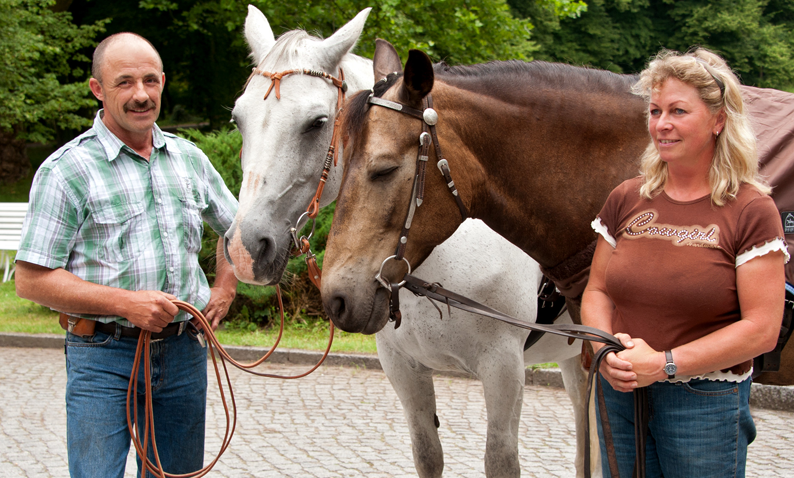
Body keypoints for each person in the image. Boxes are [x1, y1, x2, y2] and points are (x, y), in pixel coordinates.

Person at [14, 32, 239, 478]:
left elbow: (236, 230)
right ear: (98, 88)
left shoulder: (190, 159)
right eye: (125, 82)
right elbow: (31, 279)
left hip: (182, 354)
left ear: (163, 83)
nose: (141, 95)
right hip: (101, 354)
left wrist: (225, 286)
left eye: (151, 81)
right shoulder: (67, 170)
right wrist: (125, 303)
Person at [582, 48, 788, 478]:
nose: (662, 124)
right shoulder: (626, 197)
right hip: (620, 391)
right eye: (655, 111)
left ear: (718, 120)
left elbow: (762, 329)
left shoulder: (751, 209)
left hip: (702, 402)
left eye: (678, 110)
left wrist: (664, 364)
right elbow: (597, 289)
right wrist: (604, 350)